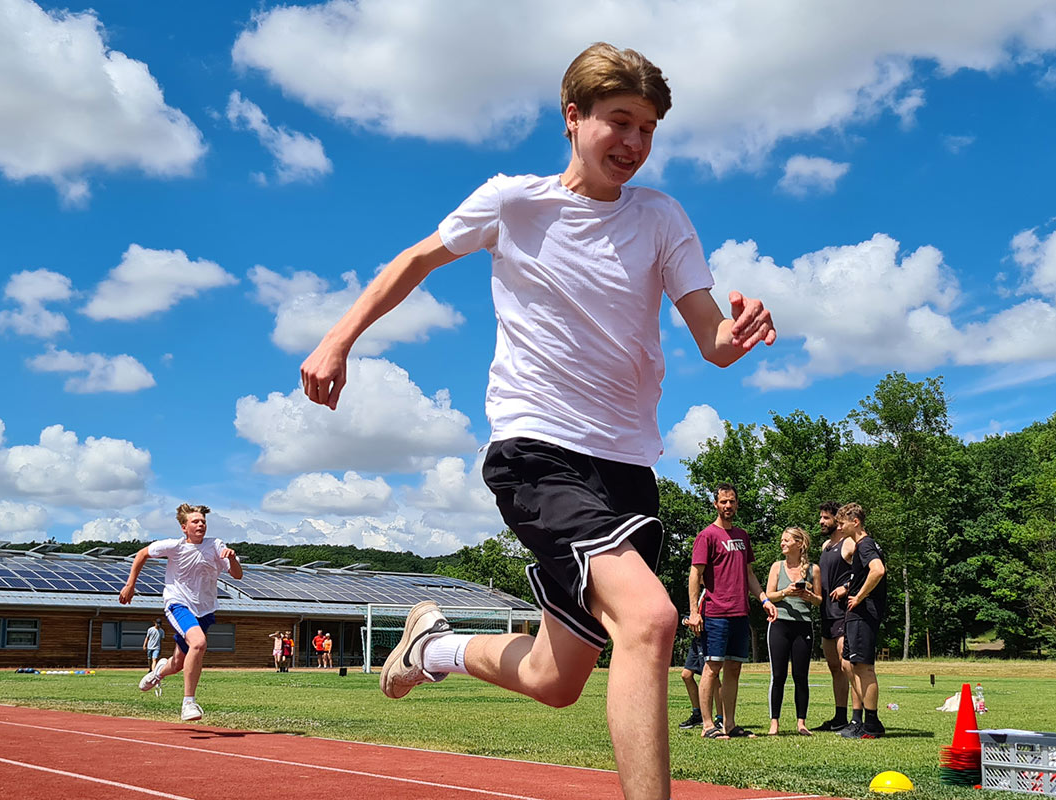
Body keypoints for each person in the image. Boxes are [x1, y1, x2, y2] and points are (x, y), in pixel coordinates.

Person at [298, 41, 776, 799]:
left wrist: (739, 330)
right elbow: (416, 259)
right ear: (573, 116)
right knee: (650, 621)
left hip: (626, 473)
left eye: (648, 129)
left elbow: (711, 342)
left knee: (557, 679)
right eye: (620, 121)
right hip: (537, 452)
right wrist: (337, 339)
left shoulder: (661, 218)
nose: (634, 143)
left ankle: (435, 649)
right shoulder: (515, 201)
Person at [120, 503, 244, 722]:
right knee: (198, 643)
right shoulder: (173, 546)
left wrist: (232, 558)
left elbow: (237, 575)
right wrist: (130, 585)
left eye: (203, 521)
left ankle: (157, 673)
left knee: (177, 663)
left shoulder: (215, 545)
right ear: (184, 527)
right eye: (195, 521)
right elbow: (141, 554)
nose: (201, 525)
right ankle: (188, 703)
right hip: (178, 604)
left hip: (205, 610)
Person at [685, 484, 778, 739]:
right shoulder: (707, 536)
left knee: (734, 670)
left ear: (737, 504)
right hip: (715, 613)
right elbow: (696, 574)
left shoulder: (742, 536)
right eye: (723, 501)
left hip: (740, 612)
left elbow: (748, 574)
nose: (728, 506)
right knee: (712, 667)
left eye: (732, 501)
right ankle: (707, 725)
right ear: (715, 504)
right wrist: (695, 612)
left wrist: (764, 599)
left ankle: (730, 724)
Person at [835, 502, 888, 739]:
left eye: (842, 523)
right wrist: (850, 588)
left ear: (855, 522)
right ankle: (861, 720)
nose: (839, 527)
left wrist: (859, 596)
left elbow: (877, 570)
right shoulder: (864, 545)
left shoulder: (865, 545)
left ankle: (872, 723)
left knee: (864, 667)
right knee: (849, 664)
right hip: (856, 614)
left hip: (864, 614)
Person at [762, 527, 820, 735]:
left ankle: (801, 723)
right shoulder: (777, 567)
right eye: (782, 540)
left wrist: (809, 596)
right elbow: (768, 594)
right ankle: (774, 723)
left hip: (803, 626)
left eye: (786, 540)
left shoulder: (814, 569)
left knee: (800, 676)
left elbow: (819, 600)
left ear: (799, 544)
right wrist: (786, 592)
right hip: (779, 625)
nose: (782, 543)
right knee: (778, 675)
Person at [813, 501, 854, 731]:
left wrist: (847, 587)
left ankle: (858, 717)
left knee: (848, 665)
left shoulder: (849, 543)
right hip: (826, 613)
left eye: (826, 518)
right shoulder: (826, 546)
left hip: (844, 613)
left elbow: (866, 569)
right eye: (821, 517)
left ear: (837, 522)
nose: (821, 522)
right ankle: (840, 717)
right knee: (833, 666)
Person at [674, 620, 715, 730]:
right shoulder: (694, 604)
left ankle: (720, 718)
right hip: (697, 641)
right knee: (686, 675)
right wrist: (685, 620)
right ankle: (698, 714)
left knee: (712, 677)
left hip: (707, 638)